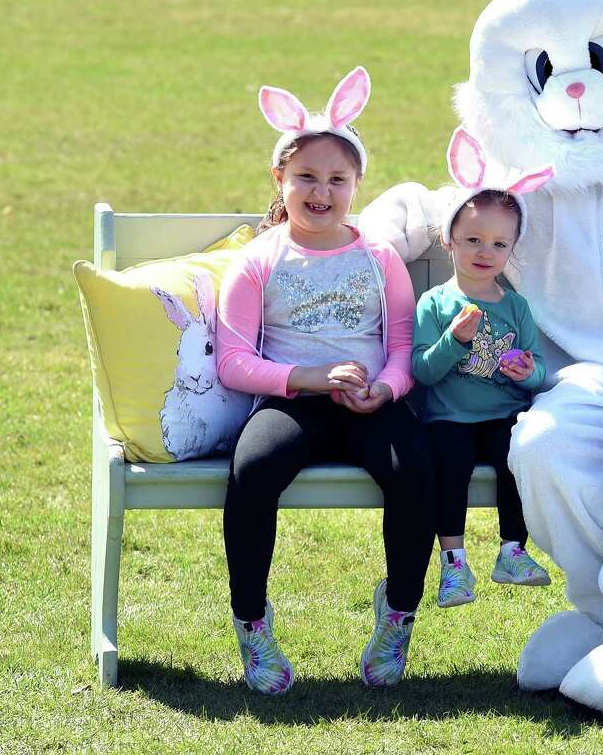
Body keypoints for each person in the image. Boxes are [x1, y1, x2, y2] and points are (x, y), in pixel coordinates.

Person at [215, 67, 434, 694]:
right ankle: (253, 626)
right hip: (295, 405)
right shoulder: (259, 260)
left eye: (337, 179)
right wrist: (309, 378)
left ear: (356, 184)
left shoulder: (379, 257)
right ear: (279, 180)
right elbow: (234, 361)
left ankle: (397, 614)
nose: (321, 191)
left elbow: (401, 344)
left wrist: (387, 389)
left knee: (415, 468)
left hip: (371, 405)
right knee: (253, 472)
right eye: (306, 176)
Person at [411, 129, 554, 608]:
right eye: (472, 239)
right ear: (449, 240)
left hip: (503, 414)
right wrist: (455, 341)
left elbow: (538, 374)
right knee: (447, 469)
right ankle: (453, 564)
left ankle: (512, 551)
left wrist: (524, 372)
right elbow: (422, 372)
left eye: (498, 244)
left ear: (511, 251)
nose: (484, 252)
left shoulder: (516, 307)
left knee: (518, 461)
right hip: (450, 418)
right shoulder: (436, 302)